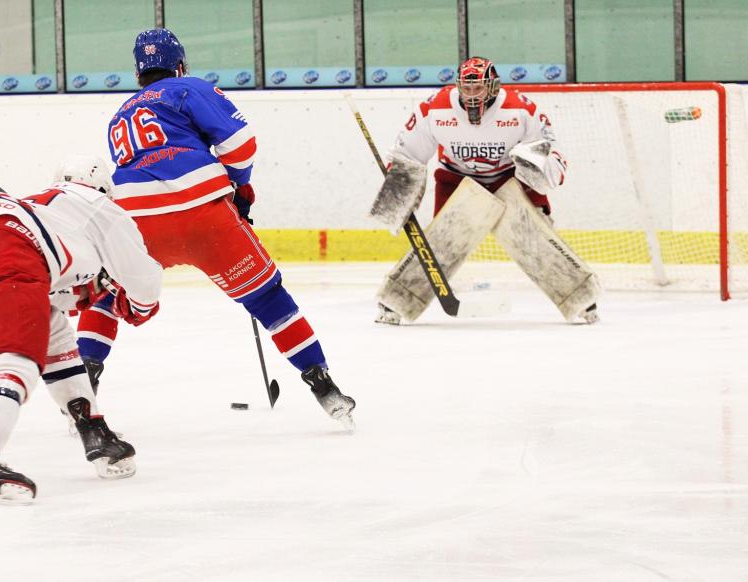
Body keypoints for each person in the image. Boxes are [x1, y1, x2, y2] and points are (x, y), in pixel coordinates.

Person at [76, 28, 355, 428]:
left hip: (138, 224)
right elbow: (240, 143)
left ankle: (83, 386)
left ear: (138, 73)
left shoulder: (120, 115)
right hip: (203, 216)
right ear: (180, 64)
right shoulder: (189, 88)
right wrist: (239, 187)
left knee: (108, 293)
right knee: (267, 298)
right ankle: (324, 386)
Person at [0, 156, 163, 504]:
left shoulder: (42, 206)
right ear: (103, 188)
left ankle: (94, 430)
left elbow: (54, 294)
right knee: (17, 360)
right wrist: (137, 307)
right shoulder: (101, 206)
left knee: (52, 332)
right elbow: (144, 282)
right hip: (6, 254)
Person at [372, 56, 600, 326]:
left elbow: (551, 150)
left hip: (508, 179)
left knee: (534, 238)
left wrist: (540, 170)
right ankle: (396, 300)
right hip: (457, 178)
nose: (471, 94)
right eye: (466, 88)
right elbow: (407, 153)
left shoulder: (520, 109)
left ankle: (581, 298)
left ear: (492, 86)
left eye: (478, 87)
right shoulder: (435, 108)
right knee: (443, 243)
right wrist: (398, 188)